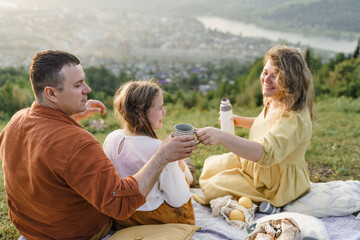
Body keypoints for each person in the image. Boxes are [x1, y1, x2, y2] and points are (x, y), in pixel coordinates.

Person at [0, 50, 196, 240]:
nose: (87, 89)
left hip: (31, 226)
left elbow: (42, 150)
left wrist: (70, 115)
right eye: (78, 85)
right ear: (51, 94)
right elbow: (121, 203)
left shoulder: (15, 121)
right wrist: (162, 155)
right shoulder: (78, 144)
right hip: (76, 233)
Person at [194, 45, 314, 208]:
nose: (266, 80)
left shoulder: (294, 118)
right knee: (210, 166)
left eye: (276, 76)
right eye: (265, 72)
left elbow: (265, 153)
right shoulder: (276, 99)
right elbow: (266, 124)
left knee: (213, 186)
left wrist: (221, 136)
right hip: (255, 167)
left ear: (290, 81)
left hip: (274, 183)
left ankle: (267, 204)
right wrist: (239, 120)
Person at [103, 79, 195, 229]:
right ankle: (186, 168)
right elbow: (177, 199)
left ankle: (185, 167)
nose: (164, 112)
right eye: (160, 108)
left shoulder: (111, 138)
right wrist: (179, 170)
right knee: (184, 186)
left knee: (181, 167)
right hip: (153, 218)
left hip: (123, 217)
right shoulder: (158, 149)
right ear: (142, 114)